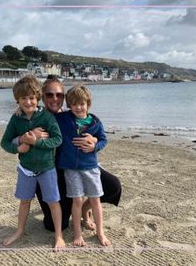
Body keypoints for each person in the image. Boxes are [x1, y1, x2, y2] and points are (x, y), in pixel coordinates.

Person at [17, 75, 121, 235]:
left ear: (64, 98)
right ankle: (72, 208)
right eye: (49, 95)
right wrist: (25, 133)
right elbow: (14, 135)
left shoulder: (70, 116)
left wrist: (94, 141)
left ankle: (86, 210)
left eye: (58, 95)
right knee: (54, 225)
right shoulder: (36, 117)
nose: (54, 98)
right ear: (42, 97)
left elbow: (93, 124)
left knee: (113, 186)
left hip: (77, 166)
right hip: (49, 172)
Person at [0, 75, 65, 251]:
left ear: (38, 97)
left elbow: (57, 139)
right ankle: (19, 231)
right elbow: (4, 143)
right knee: (24, 201)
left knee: (53, 202)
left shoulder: (46, 117)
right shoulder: (16, 119)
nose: (28, 102)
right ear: (17, 100)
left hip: (47, 168)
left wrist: (37, 142)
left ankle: (58, 235)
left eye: (31, 98)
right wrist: (18, 149)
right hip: (26, 169)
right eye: (23, 99)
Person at [55, 84, 110, 246]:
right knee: (77, 200)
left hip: (91, 167)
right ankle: (78, 234)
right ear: (69, 105)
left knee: (95, 200)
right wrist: (20, 110)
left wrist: (94, 145)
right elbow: (43, 114)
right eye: (74, 104)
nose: (78, 107)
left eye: (82, 103)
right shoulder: (63, 119)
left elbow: (103, 140)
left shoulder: (95, 122)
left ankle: (100, 232)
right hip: (71, 169)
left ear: (88, 104)